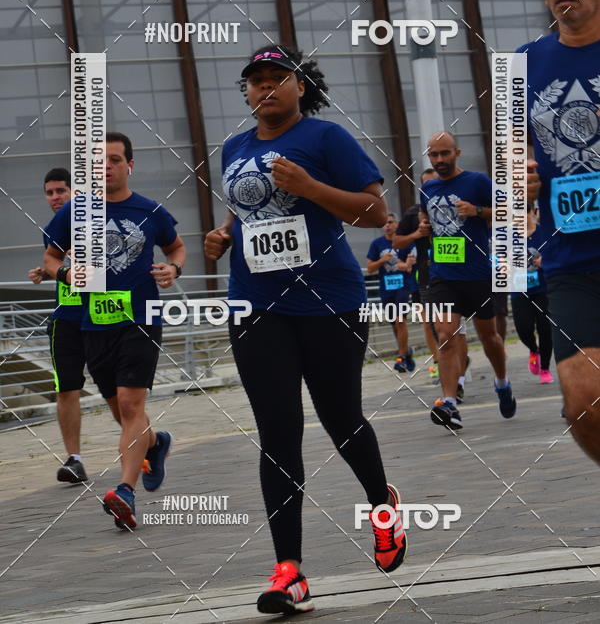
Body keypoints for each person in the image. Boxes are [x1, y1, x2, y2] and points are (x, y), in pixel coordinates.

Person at [205, 45, 407, 616]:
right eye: (255, 81)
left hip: (329, 303)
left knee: (341, 420)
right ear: (246, 92)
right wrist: (222, 236)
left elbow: (374, 214)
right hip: (256, 304)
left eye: (277, 78)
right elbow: (246, 209)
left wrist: (310, 185)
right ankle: (289, 572)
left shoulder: (327, 139)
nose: (265, 88)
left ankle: (381, 506)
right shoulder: (235, 148)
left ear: (300, 87)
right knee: (278, 433)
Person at [43, 133, 185, 528]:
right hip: (94, 323)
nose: (106, 166)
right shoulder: (75, 212)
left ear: (129, 166)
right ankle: (156, 443)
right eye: (99, 161)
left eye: (115, 160)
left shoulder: (150, 211)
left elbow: (176, 247)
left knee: (129, 405)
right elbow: (52, 257)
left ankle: (125, 491)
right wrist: (67, 272)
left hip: (141, 317)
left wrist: (173, 268)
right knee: (121, 413)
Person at [521, 0, 600, 461]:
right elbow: (509, 164)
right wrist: (518, 181)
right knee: (583, 402)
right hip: (572, 259)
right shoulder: (522, 65)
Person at [27, 168, 122, 483]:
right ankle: (74, 460)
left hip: (98, 315)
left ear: (74, 193)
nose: (55, 198)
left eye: (60, 191)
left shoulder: (95, 220)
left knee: (112, 389)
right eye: (50, 192)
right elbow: (55, 258)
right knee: (65, 387)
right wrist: (46, 271)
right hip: (65, 318)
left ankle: (143, 441)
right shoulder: (55, 228)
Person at [421, 132, 516, 430]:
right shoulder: (428, 188)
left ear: (457, 153)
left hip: (476, 274)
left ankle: (501, 381)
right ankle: (449, 402)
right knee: (446, 334)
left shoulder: (477, 182)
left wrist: (477, 211)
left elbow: (510, 213)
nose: (439, 160)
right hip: (443, 276)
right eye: (434, 155)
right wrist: (425, 227)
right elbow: (430, 222)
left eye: (444, 154)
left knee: (490, 338)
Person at [393, 170, 440, 380]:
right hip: (426, 276)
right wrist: (417, 234)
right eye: (426, 186)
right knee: (429, 323)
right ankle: (439, 362)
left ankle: (457, 361)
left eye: (435, 183)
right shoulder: (413, 214)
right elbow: (396, 242)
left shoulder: (454, 206)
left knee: (451, 324)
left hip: (454, 273)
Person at [367, 213, 417, 372]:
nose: (387, 225)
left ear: (397, 224)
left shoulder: (404, 242)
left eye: (390, 222)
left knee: (400, 320)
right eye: (385, 223)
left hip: (403, 286)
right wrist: (382, 260)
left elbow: (408, 267)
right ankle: (406, 352)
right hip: (386, 287)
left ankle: (401, 357)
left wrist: (401, 262)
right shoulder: (377, 244)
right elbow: (369, 268)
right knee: (395, 324)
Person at [510, 203, 553, 384]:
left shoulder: (545, 232)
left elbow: (557, 254)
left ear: (533, 212)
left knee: (545, 329)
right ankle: (533, 349)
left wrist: (545, 261)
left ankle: (545, 368)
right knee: (523, 328)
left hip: (543, 288)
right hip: (519, 289)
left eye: (524, 212)